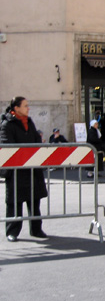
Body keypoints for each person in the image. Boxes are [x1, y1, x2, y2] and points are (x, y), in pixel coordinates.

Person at [0, 97, 48, 242]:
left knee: (35, 200)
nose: (28, 108)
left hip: (32, 169)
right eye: (25, 106)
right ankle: (12, 231)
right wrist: (26, 155)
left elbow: (36, 141)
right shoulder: (7, 124)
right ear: (16, 108)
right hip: (17, 171)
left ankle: (36, 229)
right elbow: (7, 147)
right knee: (15, 202)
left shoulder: (29, 122)